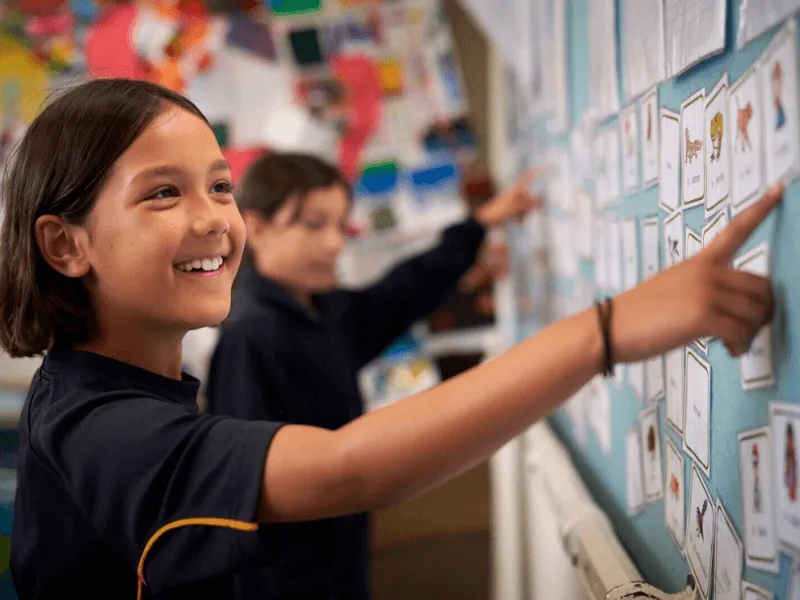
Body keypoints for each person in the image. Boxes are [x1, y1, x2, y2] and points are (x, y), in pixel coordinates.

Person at [1, 78, 778, 600]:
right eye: (163, 192)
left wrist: (478, 233)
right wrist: (606, 332)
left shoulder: (128, 385)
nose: (212, 218)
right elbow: (344, 470)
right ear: (66, 246)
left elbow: (386, 303)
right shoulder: (94, 423)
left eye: (220, 186)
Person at [205, 152, 538, 600]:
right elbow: (250, 494)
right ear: (257, 228)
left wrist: (478, 225)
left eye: (340, 226)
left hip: (339, 555)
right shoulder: (252, 337)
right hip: (292, 580)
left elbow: (401, 293)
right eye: (312, 225)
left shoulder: (319, 311)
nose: (335, 243)